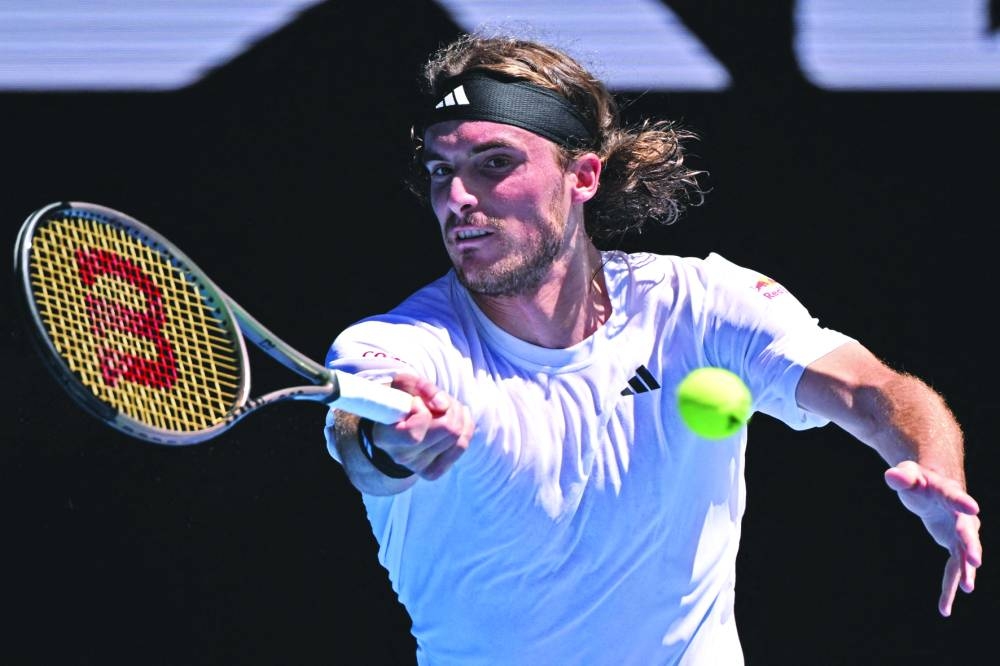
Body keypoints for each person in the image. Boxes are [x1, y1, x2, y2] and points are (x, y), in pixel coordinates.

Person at [323, 32, 982, 665]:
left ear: (582, 175)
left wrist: (934, 465)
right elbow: (361, 436)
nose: (458, 199)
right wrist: (395, 443)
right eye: (442, 171)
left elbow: (875, 391)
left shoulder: (702, 305)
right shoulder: (397, 345)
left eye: (496, 163)